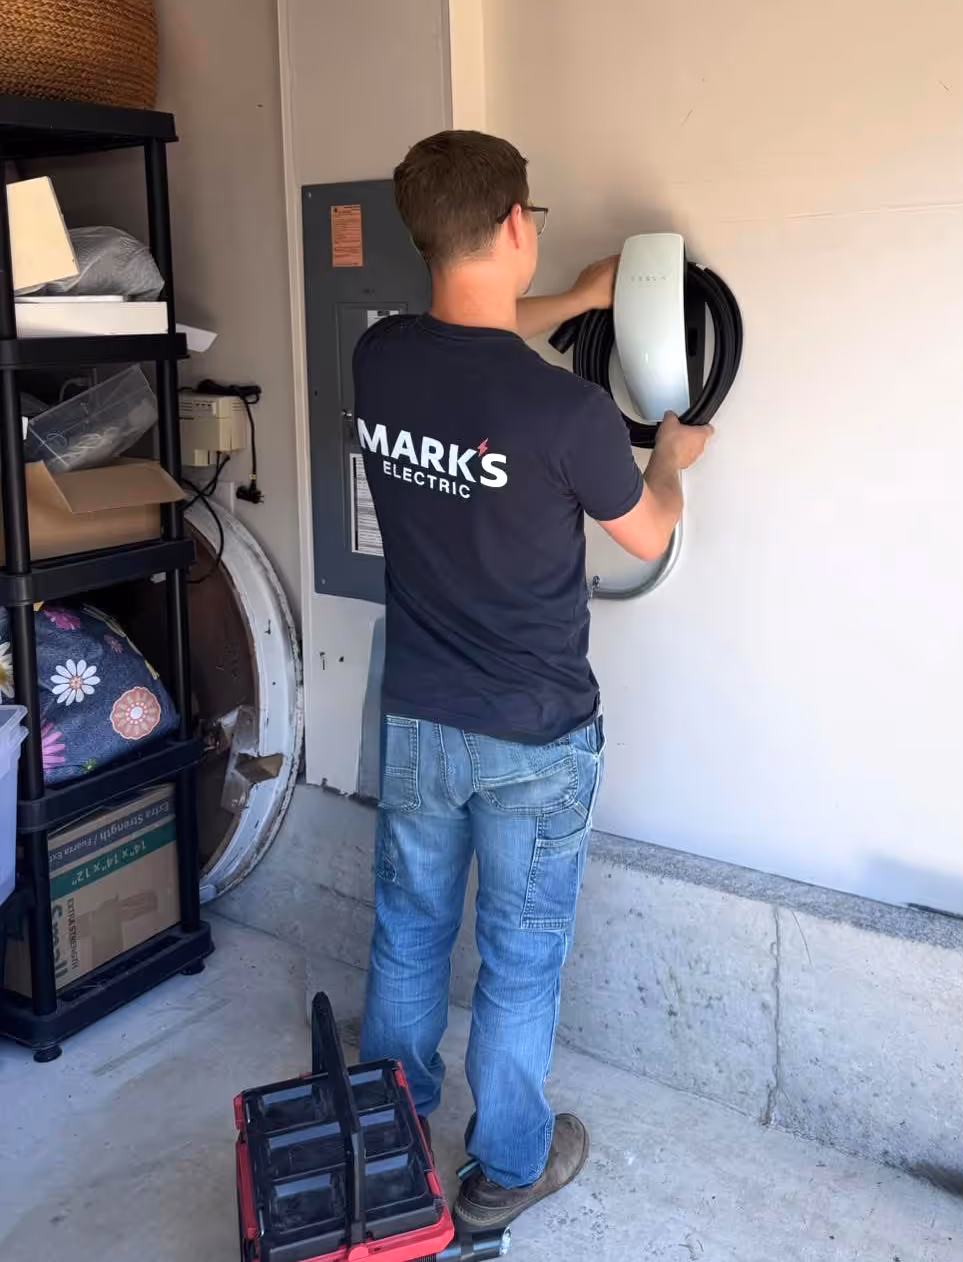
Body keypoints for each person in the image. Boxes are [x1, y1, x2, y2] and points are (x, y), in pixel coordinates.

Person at [354, 129, 713, 1232]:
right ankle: (507, 1165)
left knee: (409, 931)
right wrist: (669, 461)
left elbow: (472, 339)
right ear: (517, 223)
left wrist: (575, 295)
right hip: (534, 735)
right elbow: (647, 536)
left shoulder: (380, 358)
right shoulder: (570, 416)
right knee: (518, 955)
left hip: (418, 717)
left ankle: (387, 1129)